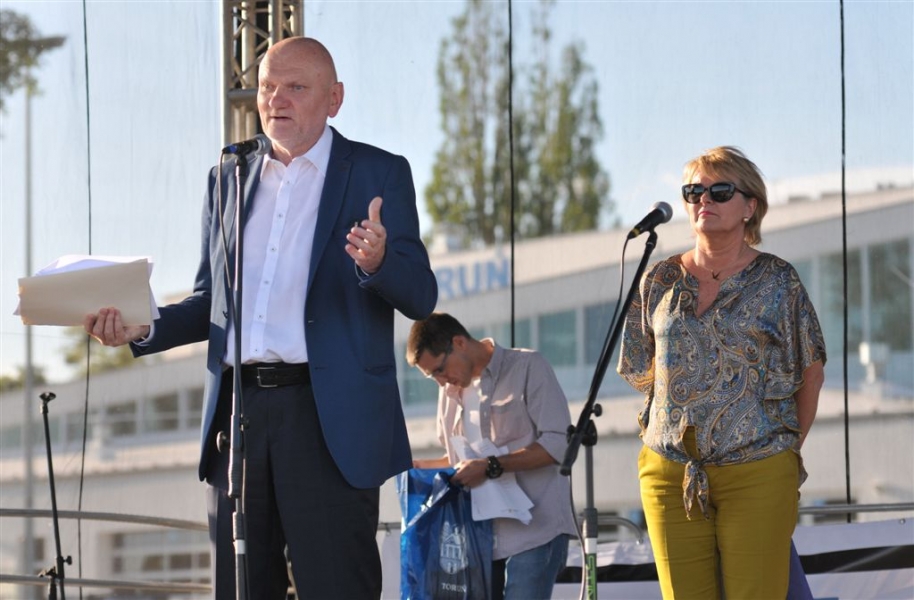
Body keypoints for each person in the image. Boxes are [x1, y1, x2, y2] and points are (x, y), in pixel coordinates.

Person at [84, 37, 437, 599]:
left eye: (295, 87)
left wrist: (378, 262)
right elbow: (211, 302)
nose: (276, 99)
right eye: (267, 87)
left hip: (327, 421)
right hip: (239, 418)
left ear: (334, 99)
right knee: (242, 588)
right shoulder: (228, 174)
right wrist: (143, 327)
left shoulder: (378, 173)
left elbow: (420, 295)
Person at [617, 146, 826, 599]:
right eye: (693, 192)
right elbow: (642, 366)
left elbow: (810, 370)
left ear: (750, 206)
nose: (703, 200)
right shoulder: (659, 278)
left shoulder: (778, 280)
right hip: (669, 473)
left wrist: (783, 451)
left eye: (720, 191)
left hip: (758, 470)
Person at [407, 312, 578, 600]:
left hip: (535, 530)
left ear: (459, 343)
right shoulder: (449, 394)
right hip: (478, 539)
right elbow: (460, 461)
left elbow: (558, 443)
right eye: (432, 376)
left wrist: (492, 466)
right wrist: (420, 468)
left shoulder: (528, 366)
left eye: (439, 370)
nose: (441, 382)